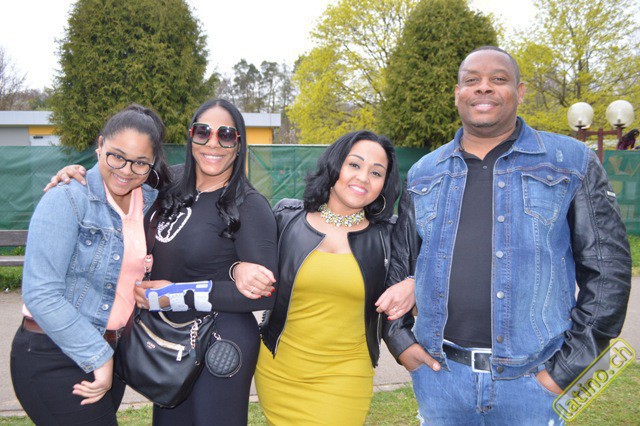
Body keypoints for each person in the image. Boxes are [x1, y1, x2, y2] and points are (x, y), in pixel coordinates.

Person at [390, 46, 632, 425]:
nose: (483, 87)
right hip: (441, 380)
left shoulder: (571, 162)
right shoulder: (424, 173)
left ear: (519, 92)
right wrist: (401, 342)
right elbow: (397, 267)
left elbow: (608, 271)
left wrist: (565, 371)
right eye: (472, 80)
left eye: (498, 79)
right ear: (458, 93)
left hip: (534, 383)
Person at [48, 98, 278, 425]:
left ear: (238, 144)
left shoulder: (249, 206)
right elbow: (120, 175)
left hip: (220, 341)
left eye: (226, 135)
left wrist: (175, 295)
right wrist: (80, 174)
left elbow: (266, 294)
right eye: (203, 132)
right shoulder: (170, 182)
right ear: (191, 136)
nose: (213, 143)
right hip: (168, 338)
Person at [233, 130, 417, 425]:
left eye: (376, 172)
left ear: (384, 184)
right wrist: (238, 268)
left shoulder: (390, 236)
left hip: (345, 376)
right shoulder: (285, 218)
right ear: (335, 165)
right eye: (354, 164)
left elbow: (440, 276)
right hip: (278, 369)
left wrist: (413, 284)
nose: (363, 178)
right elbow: (229, 255)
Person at [10, 104, 171, 425]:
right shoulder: (68, 197)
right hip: (55, 354)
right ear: (100, 145)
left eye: (140, 162)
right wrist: (98, 357)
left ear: (152, 163)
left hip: (112, 352)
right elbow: (41, 293)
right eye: (116, 156)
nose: (126, 170)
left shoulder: (152, 202)